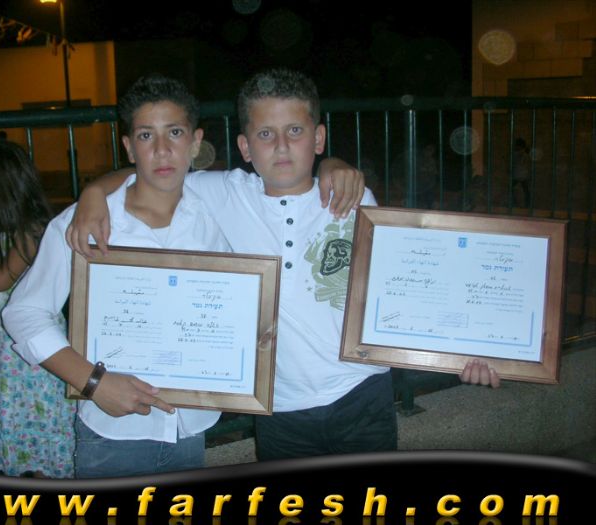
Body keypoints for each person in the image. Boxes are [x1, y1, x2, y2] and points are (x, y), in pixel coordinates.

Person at [67, 68, 500, 462]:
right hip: (279, 406)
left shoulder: (355, 200)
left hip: (362, 393)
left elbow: (410, 287)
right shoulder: (224, 193)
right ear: (245, 147)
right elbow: (151, 173)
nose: (281, 146)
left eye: (295, 130)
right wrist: (92, 193)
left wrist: (463, 349)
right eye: (265, 134)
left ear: (318, 139)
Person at [2, 75, 232, 478]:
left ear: (195, 142)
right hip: (111, 434)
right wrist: (95, 383)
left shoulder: (218, 212)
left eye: (174, 132)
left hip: (191, 424)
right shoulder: (84, 224)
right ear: (128, 147)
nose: (162, 149)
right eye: (146, 135)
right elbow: (23, 313)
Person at [0, 139, 76, 478]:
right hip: (13, 350)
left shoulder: (29, 231)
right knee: (30, 431)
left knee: (40, 431)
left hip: (29, 351)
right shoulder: (18, 228)